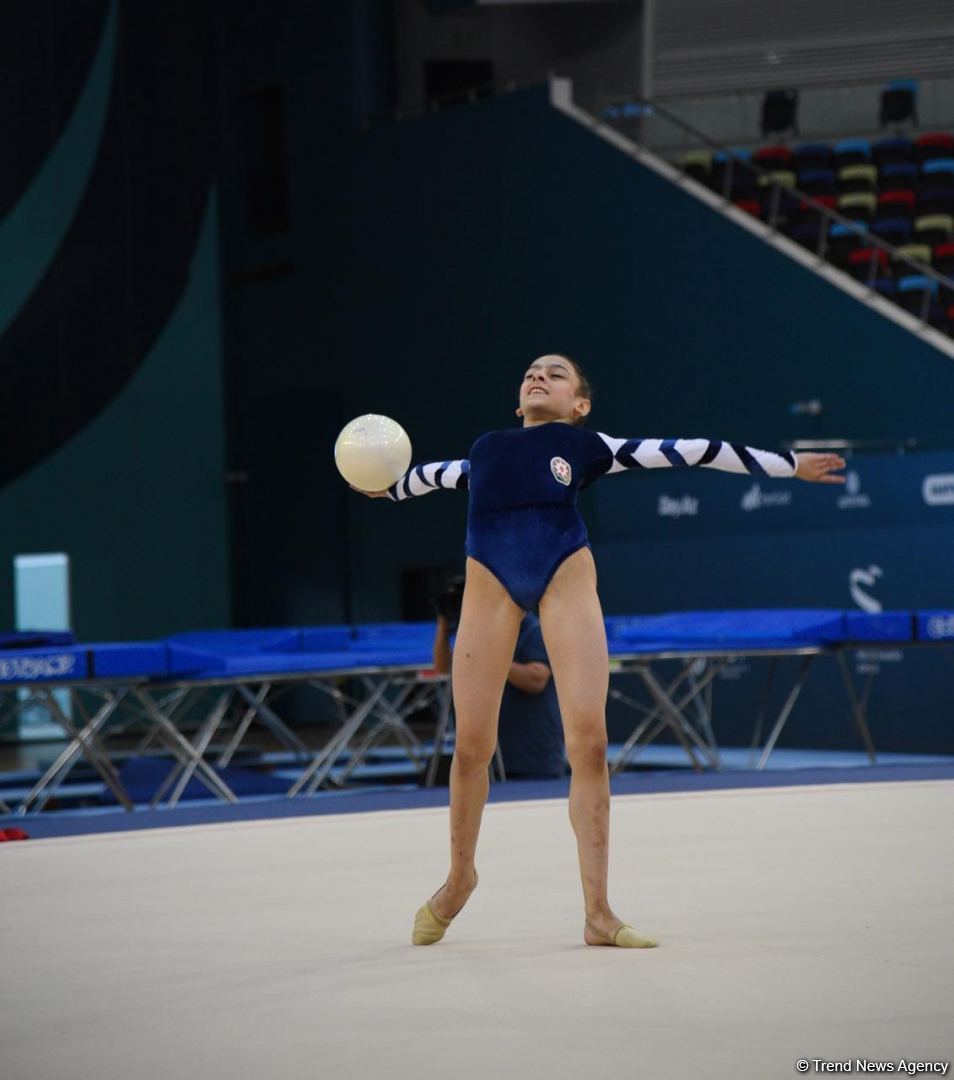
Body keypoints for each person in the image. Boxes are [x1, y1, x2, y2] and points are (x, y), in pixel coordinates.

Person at [353, 354, 845, 948]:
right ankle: (459, 879)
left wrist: (789, 467)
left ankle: (598, 913)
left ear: (580, 406)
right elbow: (426, 477)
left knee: (588, 743)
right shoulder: (485, 449)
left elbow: (697, 449)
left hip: (564, 576)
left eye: (556, 374)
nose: (539, 376)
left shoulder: (594, 447)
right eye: (532, 372)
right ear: (517, 401)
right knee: (471, 748)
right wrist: (383, 485)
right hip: (489, 582)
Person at [433, 578, 564, 781]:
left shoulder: (531, 629)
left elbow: (536, 679)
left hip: (532, 754)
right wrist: (443, 626)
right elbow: (441, 668)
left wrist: (490, 656)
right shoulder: (475, 632)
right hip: (491, 756)